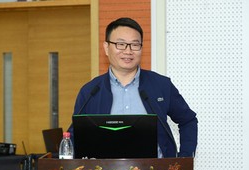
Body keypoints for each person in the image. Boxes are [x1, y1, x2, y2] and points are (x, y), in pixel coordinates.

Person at [69, 17, 197, 158]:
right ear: (106, 48)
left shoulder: (161, 85)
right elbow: (75, 135)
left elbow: (188, 120)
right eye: (120, 44)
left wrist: (185, 158)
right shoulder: (90, 92)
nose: (128, 51)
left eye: (135, 45)